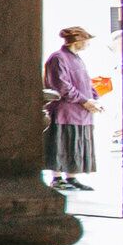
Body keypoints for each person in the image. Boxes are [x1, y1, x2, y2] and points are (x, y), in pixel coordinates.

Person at [45, 24, 101, 192]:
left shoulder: (76, 58)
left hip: (81, 111)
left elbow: (85, 82)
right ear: (77, 40)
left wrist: (94, 99)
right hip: (66, 111)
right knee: (61, 143)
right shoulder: (58, 58)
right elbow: (62, 85)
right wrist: (84, 100)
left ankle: (71, 176)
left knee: (74, 144)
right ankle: (57, 177)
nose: (88, 43)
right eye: (86, 40)